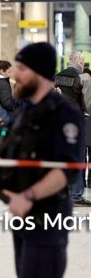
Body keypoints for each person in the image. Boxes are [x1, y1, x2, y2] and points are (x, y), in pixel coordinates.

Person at [0, 42, 84, 278]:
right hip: (23, 216)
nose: (15, 75)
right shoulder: (26, 110)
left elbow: (65, 170)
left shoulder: (66, 115)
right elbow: (9, 145)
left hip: (48, 215)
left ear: (39, 73)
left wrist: (28, 196)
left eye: (21, 68)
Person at [55, 51, 91, 206]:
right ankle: (76, 195)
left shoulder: (57, 76)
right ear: (80, 62)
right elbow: (89, 104)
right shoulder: (84, 78)